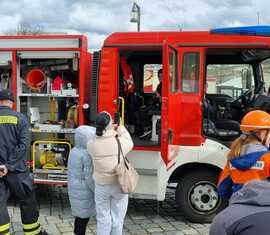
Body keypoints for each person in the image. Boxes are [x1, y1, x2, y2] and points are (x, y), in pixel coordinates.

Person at [0, 89, 47, 235]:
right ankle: (32, 231)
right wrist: (9, 165)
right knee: (27, 200)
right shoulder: (20, 118)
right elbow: (23, 145)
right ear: (12, 103)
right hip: (17, 171)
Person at [87, 111, 134, 235]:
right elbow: (130, 142)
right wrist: (120, 127)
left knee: (102, 218)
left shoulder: (91, 144)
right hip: (118, 184)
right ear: (110, 125)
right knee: (118, 218)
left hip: (101, 186)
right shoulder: (119, 142)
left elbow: (96, 137)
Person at [218, 110, 270, 199]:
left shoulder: (233, 157)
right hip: (263, 208)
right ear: (261, 133)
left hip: (238, 206)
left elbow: (222, 189)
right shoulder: (267, 158)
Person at [68, 125, 96, 235]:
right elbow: (89, 176)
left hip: (74, 188)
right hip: (84, 191)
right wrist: (95, 189)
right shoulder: (87, 154)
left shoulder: (73, 151)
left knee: (79, 217)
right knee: (83, 218)